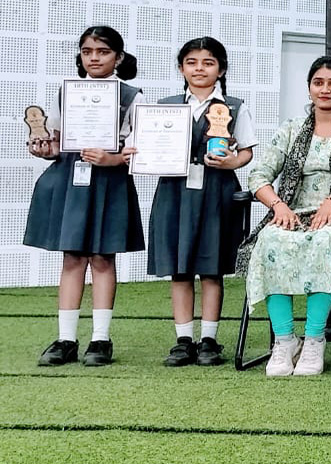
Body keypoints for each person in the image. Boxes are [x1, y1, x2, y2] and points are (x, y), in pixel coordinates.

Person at [239, 56, 331, 377]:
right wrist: (278, 205)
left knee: (323, 239)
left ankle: (314, 339)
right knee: (270, 238)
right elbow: (258, 175)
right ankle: (285, 341)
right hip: (295, 212)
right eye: (318, 83)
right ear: (309, 88)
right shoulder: (292, 128)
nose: (325, 90)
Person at [27, 26, 145, 367]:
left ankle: (100, 339)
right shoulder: (66, 92)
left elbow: (140, 150)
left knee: (103, 258)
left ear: (118, 58)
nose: (94, 58)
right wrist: (45, 150)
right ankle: (66, 339)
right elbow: (56, 142)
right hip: (72, 179)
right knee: (72, 258)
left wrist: (113, 159)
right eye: (87, 51)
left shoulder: (131, 96)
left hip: (110, 181)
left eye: (103, 52)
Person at [149, 37, 257, 367]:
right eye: (192, 62)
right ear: (181, 68)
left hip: (217, 191)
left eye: (208, 63)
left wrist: (232, 162)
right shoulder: (165, 106)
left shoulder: (234, 106)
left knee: (212, 268)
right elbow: (150, 146)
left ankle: (209, 339)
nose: (199, 69)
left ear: (221, 69)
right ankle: (183, 340)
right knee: (179, 269)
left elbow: (247, 152)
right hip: (174, 192)